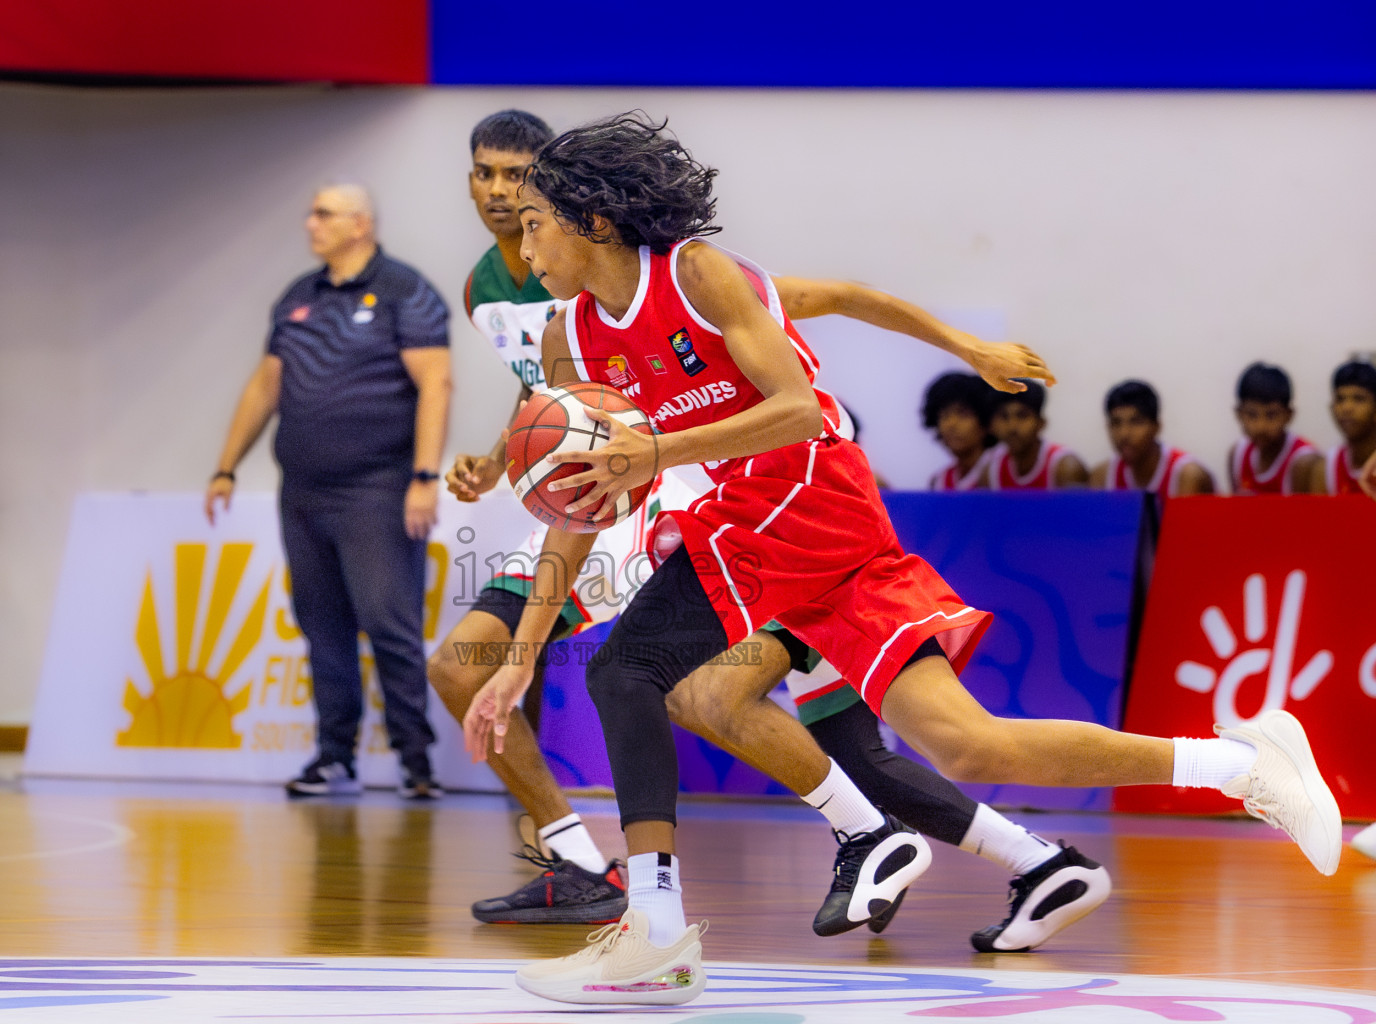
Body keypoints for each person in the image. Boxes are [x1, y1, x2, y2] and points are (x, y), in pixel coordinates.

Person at [463, 113, 1343, 1006]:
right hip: (763, 527)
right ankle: (1243, 768)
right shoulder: (567, 341)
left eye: (534, 221)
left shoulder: (697, 276)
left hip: (811, 502)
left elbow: (800, 408)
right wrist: (520, 655)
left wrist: (656, 449)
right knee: (966, 745)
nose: (521, 242)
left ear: (594, 222)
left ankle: (671, 922)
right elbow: (575, 506)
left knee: (633, 673)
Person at [433, 111, 1111, 949]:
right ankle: (1021, 860)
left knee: (745, 705)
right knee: (707, 698)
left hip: (774, 506)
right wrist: (503, 460)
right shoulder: (529, 306)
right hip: (679, 515)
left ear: (585, 205)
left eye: (521, 183)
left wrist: (966, 345)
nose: (503, 196)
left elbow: (844, 299)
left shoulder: (696, 280)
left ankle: (883, 843)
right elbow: (558, 422)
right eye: (487, 176)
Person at [205, 183, 452, 800]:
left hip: (379, 488)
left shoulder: (405, 290)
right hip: (304, 491)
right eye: (311, 211)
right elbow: (266, 387)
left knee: (388, 621)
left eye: (324, 213)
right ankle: (334, 755)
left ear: (360, 224)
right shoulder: (299, 295)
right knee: (322, 626)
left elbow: (437, 384)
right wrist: (226, 465)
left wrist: (425, 477)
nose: (310, 222)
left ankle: (415, 762)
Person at [1091, 379, 1215, 497]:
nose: (1124, 434)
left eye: (1136, 422)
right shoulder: (1102, 476)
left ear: (1157, 427)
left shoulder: (1186, 475)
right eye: (1116, 423)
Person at [1228, 362, 1320, 494]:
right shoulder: (1237, 454)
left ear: (1289, 415)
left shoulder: (1305, 462)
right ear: (1238, 414)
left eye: (1271, 415)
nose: (1261, 426)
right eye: (1252, 415)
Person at [986, 382, 1088, 489]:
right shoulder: (991, 470)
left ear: (1041, 423)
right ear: (992, 425)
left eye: (1022, 416)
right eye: (1004, 416)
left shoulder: (1066, 468)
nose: (1012, 427)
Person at [1310, 360, 1376, 496]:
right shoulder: (1324, 468)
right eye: (1340, 399)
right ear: (1331, 407)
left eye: (1359, 399)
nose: (1347, 408)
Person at [922, 372, 996, 490]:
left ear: (986, 422)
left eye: (963, 414)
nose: (951, 424)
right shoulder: (939, 481)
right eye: (944, 415)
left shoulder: (1000, 470)